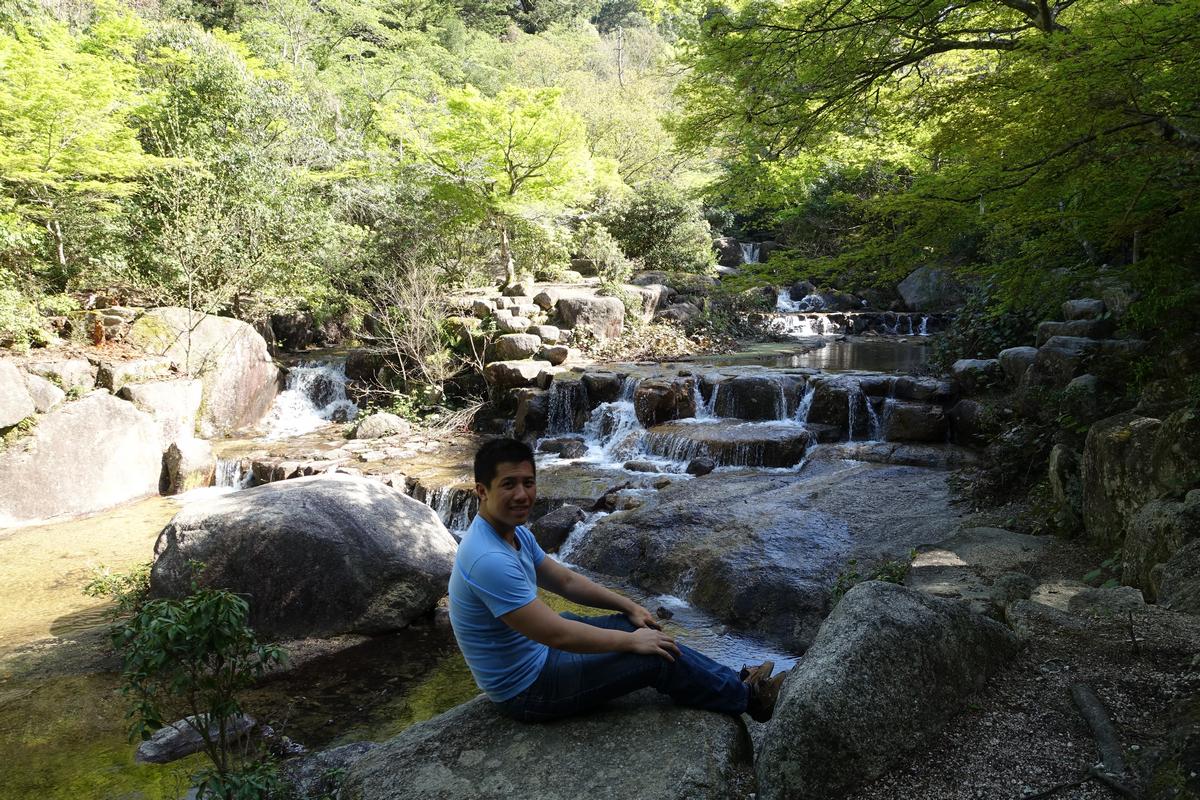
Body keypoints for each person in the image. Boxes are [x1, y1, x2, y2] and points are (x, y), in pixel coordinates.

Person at [448, 437, 785, 723]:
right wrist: (631, 643)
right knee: (652, 656)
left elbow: (564, 581)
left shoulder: (514, 532)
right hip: (528, 689)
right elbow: (557, 633)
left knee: (632, 625)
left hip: (538, 655)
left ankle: (736, 678)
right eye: (509, 484)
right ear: (482, 491)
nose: (522, 494)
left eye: (528, 482)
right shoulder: (487, 558)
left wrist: (630, 606)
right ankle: (748, 699)